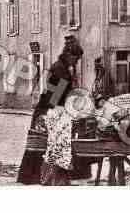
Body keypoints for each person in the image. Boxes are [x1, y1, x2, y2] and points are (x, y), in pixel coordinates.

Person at [17, 35, 88, 185]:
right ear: (69, 55)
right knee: (43, 143)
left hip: (49, 107)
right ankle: (43, 177)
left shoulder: (62, 67)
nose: (76, 62)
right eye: (76, 59)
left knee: (43, 144)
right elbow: (57, 96)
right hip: (47, 109)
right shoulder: (60, 69)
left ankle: (45, 176)